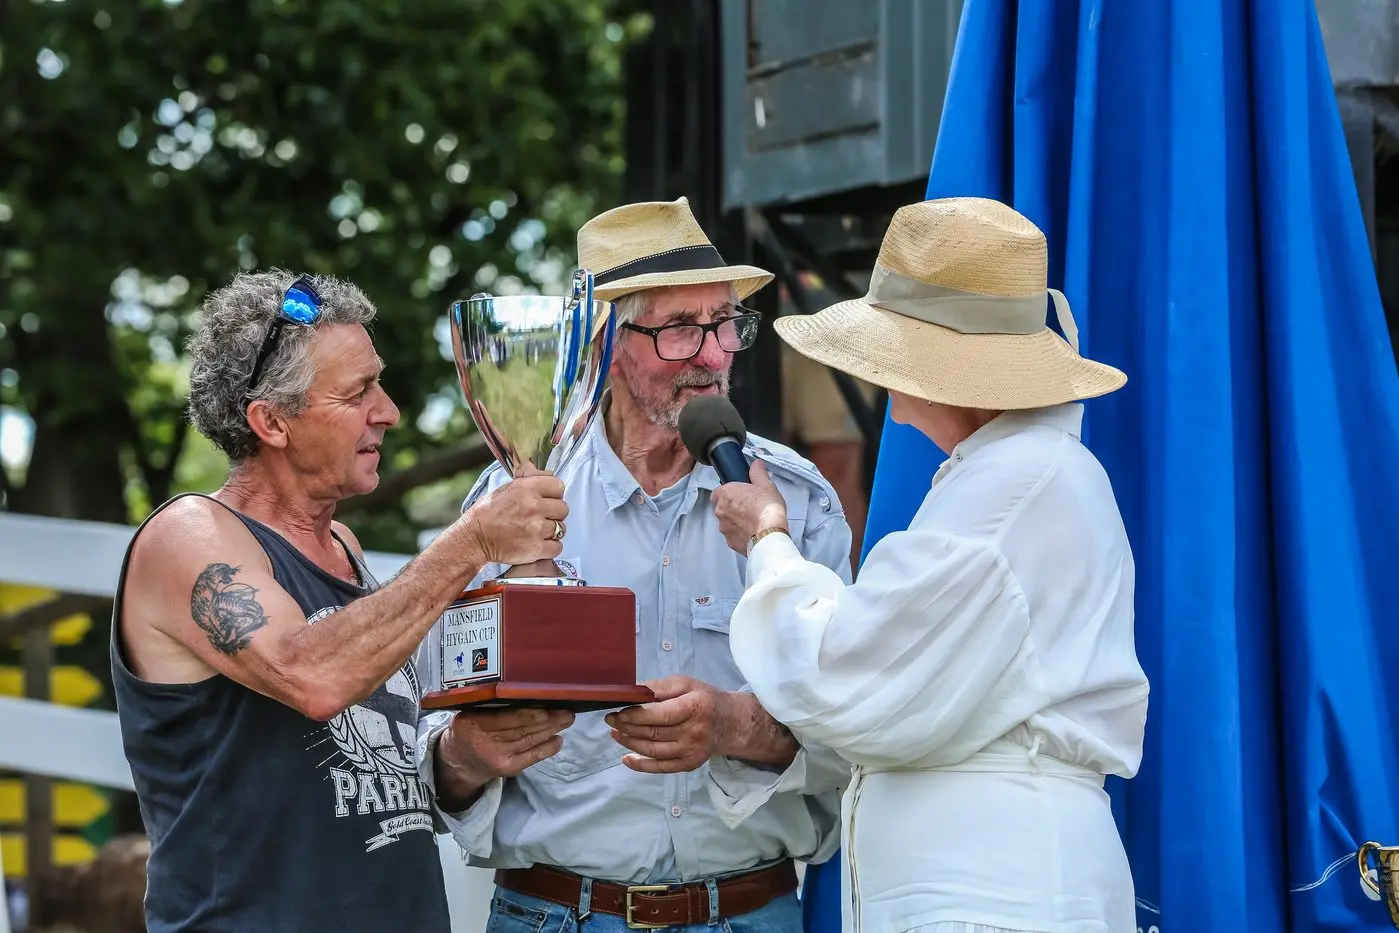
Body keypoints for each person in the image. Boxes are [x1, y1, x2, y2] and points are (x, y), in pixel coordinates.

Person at [415, 197, 854, 932]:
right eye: (681, 328)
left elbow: (859, 728)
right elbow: (426, 747)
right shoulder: (510, 501)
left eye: (725, 323)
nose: (714, 354)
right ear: (606, 344)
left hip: (751, 912)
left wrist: (736, 727)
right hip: (555, 912)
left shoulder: (796, 502)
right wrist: (467, 754)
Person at [711, 197, 1150, 933]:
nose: (884, 383)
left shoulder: (1012, 483)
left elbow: (845, 675)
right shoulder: (1020, 473)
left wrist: (768, 539)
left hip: (995, 895)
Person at [110, 271, 571, 933]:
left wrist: (463, 759)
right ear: (271, 422)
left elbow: (372, 781)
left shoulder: (344, 548)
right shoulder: (187, 535)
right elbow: (313, 676)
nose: (389, 411)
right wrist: (473, 540)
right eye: (357, 393)